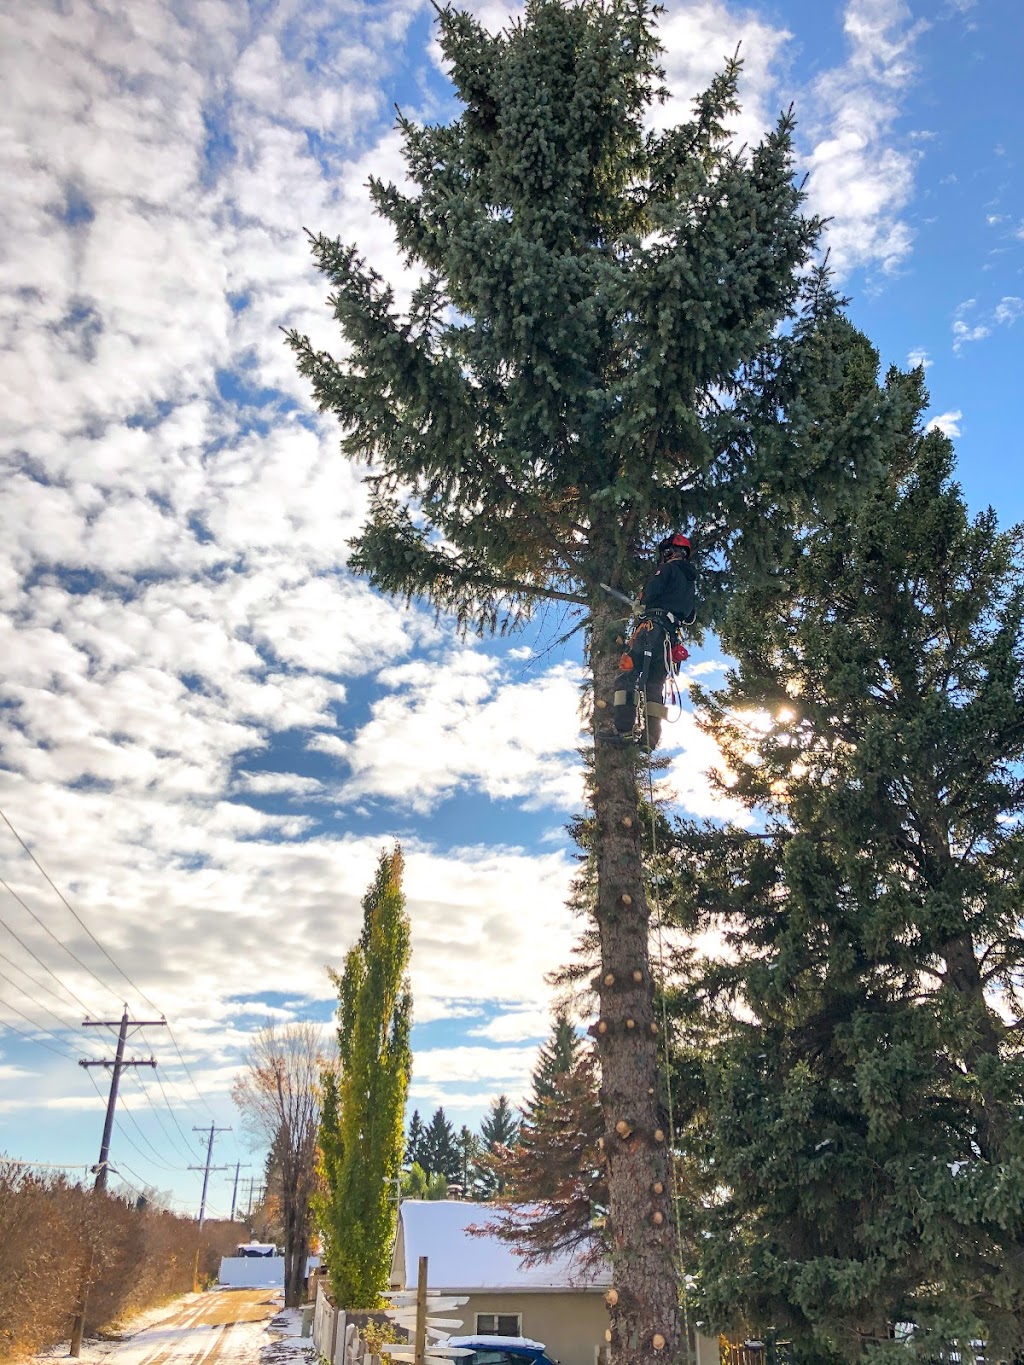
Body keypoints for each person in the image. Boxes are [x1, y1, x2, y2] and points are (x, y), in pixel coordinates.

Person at [611, 533, 696, 749]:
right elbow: (689, 616)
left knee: (628, 674)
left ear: (670, 552)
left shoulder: (667, 570)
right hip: (669, 639)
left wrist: (641, 603)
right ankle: (650, 739)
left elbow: (651, 591)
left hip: (653, 629)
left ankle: (624, 732)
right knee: (654, 684)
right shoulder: (689, 582)